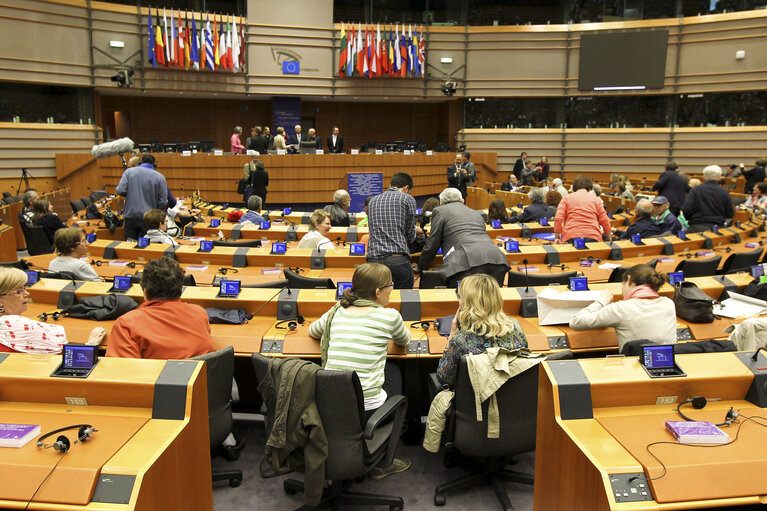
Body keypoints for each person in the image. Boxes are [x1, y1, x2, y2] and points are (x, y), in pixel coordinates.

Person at [308, 262, 410, 479]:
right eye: (390, 285)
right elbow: (404, 340)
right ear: (378, 291)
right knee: (395, 372)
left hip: (327, 407)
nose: (392, 288)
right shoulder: (389, 316)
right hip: (366, 412)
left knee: (388, 369)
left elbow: (313, 331)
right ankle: (384, 462)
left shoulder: (336, 311)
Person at [106, 257, 213, 359]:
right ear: (180, 290)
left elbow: (119, 371)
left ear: (145, 292)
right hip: (199, 377)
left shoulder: (126, 324)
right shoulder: (200, 313)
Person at [436, 274, 528, 386]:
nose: (459, 301)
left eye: (460, 297)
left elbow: (443, 378)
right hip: (511, 399)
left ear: (468, 305)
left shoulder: (460, 341)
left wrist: (450, 339)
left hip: (474, 402)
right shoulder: (516, 328)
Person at [569, 264, 676, 350]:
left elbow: (576, 322)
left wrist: (602, 300)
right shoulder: (669, 303)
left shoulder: (621, 308)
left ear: (628, 280)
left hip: (633, 369)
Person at [418, 188, 509, 288]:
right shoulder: (476, 213)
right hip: (497, 260)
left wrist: (421, 268)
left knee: (463, 300)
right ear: (462, 201)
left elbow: (432, 244)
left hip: (465, 263)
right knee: (489, 301)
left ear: (441, 203)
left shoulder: (440, 211)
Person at [0, 267, 105, 353]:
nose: (27, 294)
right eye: (19, 291)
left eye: (25, 288)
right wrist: (91, 344)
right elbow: (73, 358)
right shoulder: (20, 326)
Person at [367, 172, 421, 289]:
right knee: (403, 300)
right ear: (406, 188)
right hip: (397, 259)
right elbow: (410, 233)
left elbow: (372, 229)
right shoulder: (407, 198)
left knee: (376, 300)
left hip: (373, 260)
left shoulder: (373, 200)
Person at [116, 153, 168, 241]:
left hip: (130, 216)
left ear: (140, 162)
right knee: (148, 247)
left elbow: (120, 190)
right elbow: (162, 201)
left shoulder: (129, 172)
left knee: (129, 246)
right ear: (154, 164)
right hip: (149, 219)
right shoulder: (160, 177)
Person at [554, 175, 611, 243]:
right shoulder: (596, 200)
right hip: (593, 237)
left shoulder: (566, 198)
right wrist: (608, 238)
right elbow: (605, 221)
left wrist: (557, 237)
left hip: (570, 236)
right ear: (589, 187)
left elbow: (558, 218)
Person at [682, 164, 734, 232]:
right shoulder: (724, 192)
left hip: (696, 227)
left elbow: (686, 209)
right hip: (717, 229)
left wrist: (691, 219)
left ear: (704, 176)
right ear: (719, 177)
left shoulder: (695, 190)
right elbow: (730, 214)